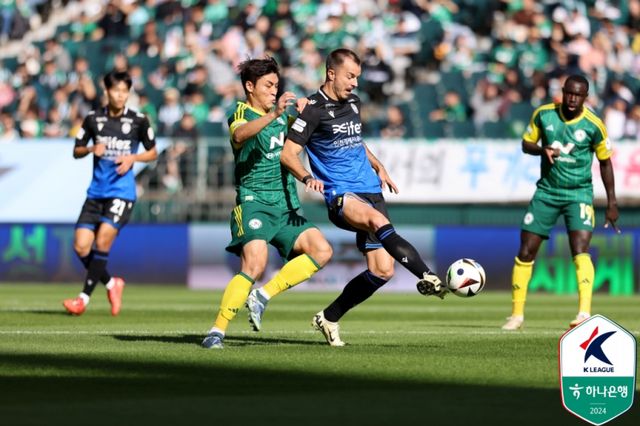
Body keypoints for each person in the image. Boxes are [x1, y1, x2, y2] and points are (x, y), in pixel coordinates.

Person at [281, 48, 444, 347]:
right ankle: (427, 275)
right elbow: (288, 154)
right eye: (350, 76)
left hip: (371, 189)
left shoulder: (354, 103)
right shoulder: (312, 110)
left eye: (357, 77)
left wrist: (379, 166)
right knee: (376, 221)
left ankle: (329, 317)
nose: (355, 83)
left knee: (382, 270)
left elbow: (355, 141)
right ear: (331, 73)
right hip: (342, 194)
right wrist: (306, 177)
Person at [201, 57, 332, 349]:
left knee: (322, 250)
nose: (274, 90)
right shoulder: (241, 113)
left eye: (276, 85)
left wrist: (306, 112)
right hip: (254, 202)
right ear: (250, 87)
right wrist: (275, 114)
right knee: (255, 263)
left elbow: (302, 136)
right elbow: (239, 134)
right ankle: (216, 331)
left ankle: (262, 295)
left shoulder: (283, 117)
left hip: (286, 206)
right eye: (268, 85)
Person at [502, 74, 619, 331]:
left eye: (578, 95)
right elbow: (526, 143)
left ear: (586, 97)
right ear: (563, 92)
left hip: (579, 193)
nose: (573, 99)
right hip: (547, 192)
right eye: (569, 93)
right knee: (526, 250)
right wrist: (541, 150)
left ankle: (584, 313)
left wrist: (612, 202)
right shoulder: (544, 114)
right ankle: (516, 315)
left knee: (580, 248)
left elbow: (605, 162)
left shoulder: (594, 125)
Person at [62, 70, 158, 316]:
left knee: (103, 240)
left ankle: (82, 299)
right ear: (106, 91)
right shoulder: (93, 119)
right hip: (96, 193)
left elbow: (153, 152)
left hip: (122, 193)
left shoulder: (138, 120)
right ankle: (112, 283)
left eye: (125, 91)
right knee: (81, 247)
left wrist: (133, 158)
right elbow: (76, 150)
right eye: (116, 90)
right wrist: (91, 148)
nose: (120, 95)